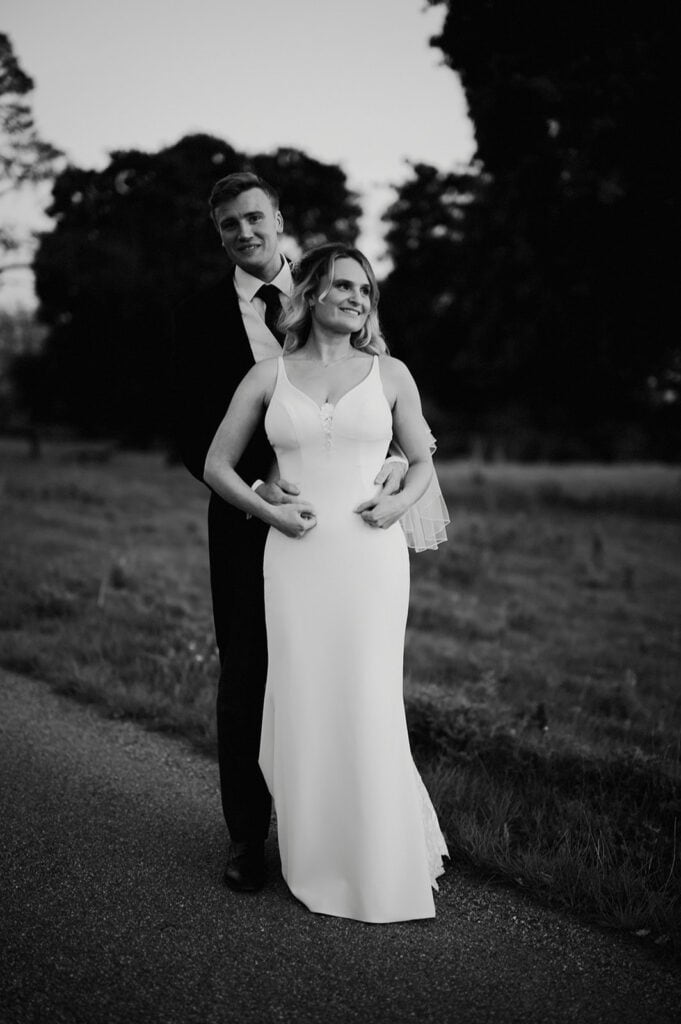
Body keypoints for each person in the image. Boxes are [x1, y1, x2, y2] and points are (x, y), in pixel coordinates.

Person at [172, 173, 407, 893]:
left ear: (277, 219)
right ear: (219, 236)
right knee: (247, 678)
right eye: (228, 225)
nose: (244, 232)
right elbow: (189, 434)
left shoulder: (332, 284)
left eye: (254, 217)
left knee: (340, 673)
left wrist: (396, 461)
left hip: (347, 531)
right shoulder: (195, 317)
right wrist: (258, 490)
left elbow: (380, 396)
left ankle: (337, 828)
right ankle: (248, 838)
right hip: (247, 521)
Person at [204, 242, 449, 923]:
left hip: (372, 559)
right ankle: (311, 850)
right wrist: (268, 509)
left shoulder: (391, 373)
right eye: (342, 285)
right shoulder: (267, 376)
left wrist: (399, 505)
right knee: (305, 696)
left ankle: (376, 852)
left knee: (367, 693)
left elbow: (423, 461)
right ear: (310, 293)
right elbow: (217, 464)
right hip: (294, 559)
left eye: (364, 290)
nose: (355, 298)